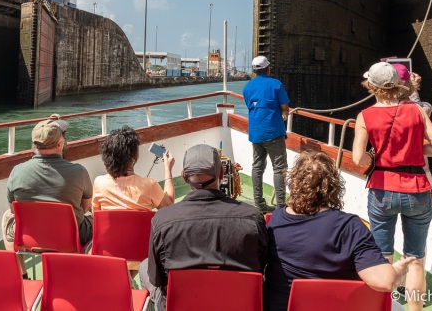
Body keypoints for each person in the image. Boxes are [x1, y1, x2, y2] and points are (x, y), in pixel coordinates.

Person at [264, 151, 415, 310]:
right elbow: (385, 281)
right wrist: (397, 272)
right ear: (332, 186)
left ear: (294, 183)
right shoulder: (349, 226)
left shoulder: (276, 219)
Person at [352, 62, 432, 311]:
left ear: (371, 85)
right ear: (398, 83)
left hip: (382, 190)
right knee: (415, 259)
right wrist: (415, 151)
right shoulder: (416, 110)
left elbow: (358, 158)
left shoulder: (365, 115)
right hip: (416, 189)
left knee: (382, 258)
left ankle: (383, 307)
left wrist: (378, 158)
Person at [139, 144, 267, 311]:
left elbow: (157, 279)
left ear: (184, 176)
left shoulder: (162, 221)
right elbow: (263, 266)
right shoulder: (253, 218)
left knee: (144, 266)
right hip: (236, 304)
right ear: (221, 173)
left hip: (183, 305)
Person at [3, 114, 93, 248]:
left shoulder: (17, 171)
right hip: (70, 238)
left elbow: (13, 210)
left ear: (34, 145)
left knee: (6, 216)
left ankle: (19, 268)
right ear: (59, 144)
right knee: (93, 215)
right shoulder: (79, 172)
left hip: (32, 238)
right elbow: (85, 207)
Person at [243, 55, 291, 212]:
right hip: (273, 132)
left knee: (257, 167)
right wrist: (283, 116)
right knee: (279, 168)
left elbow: (252, 106)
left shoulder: (247, 87)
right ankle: (281, 206)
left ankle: (259, 203)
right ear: (268, 68)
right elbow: (285, 109)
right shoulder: (276, 84)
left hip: (256, 133)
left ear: (254, 70)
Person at [92, 126, 175, 211]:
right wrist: (168, 168)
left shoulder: (99, 183)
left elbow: (96, 218)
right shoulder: (149, 185)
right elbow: (170, 210)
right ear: (135, 155)